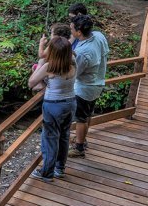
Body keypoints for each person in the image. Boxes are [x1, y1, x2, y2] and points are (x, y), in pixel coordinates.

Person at [28, 36, 77, 181]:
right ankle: (59, 168)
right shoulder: (73, 63)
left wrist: (39, 65)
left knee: (50, 138)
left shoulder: (49, 67)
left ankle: (47, 173)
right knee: (64, 136)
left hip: (53, 104)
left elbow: (31, 83)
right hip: (70, 102)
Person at [68, 14, 109, 157]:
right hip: (98, 83)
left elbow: (75, 73)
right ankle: (82, 139)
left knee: (80, 118)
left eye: (72, 28)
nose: (70, 30)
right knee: (87, 115)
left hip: (84, 88)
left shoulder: (83, 52)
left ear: (79, 32)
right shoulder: (98, 36)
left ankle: (79, 147)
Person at [32, 23, 73, 91]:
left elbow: (41, 55)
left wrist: (41, 43)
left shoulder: (54, 44)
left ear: (56, 35)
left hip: (53, 72)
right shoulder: (68, 43)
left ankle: (41, 84)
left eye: (51, 33)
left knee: (35, 67)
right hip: (64, 72)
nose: (50, 35)